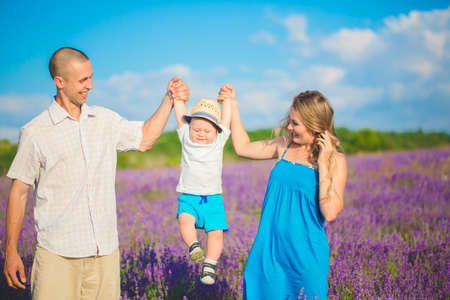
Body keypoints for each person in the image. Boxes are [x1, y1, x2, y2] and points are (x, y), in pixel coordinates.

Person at [3, 47, 190, 300]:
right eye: (82, 80)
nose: (90, 85)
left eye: (91, 77)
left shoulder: (105, 120)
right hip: (58, 256)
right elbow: (19, 191)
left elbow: (145, 138)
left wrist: (169, 99)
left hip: (105, 254)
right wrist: (11, 251)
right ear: (59, 82)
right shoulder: (36, 132)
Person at [218, 84, 347, 299]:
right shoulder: (283, 146)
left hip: (306, 257)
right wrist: (233, 104)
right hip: (269, 251)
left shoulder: (335, 161)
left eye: (295, 123)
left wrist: (323, 164)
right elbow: (242, 147)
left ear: (313, 124)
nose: (288, 127)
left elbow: (331, 212)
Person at [173, 94, 231, 285]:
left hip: (213, 199)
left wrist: (228, 101)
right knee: (184, 220)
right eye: (196, 129)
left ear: (216, 131)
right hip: (189, 197)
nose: (201, 133)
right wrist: (178, 98)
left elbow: (226, 120)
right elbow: (180, 115)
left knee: (216, 233)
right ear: (189, 129)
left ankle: (210, 266)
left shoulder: (218, 142)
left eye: (207, 130)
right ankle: (193, 246)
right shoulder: (185, 138)